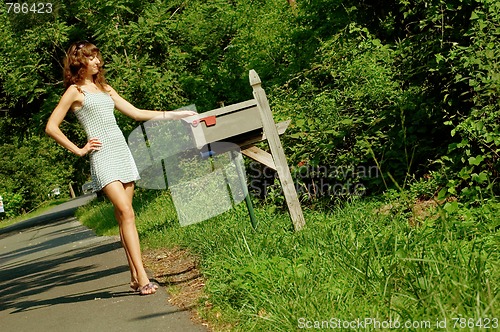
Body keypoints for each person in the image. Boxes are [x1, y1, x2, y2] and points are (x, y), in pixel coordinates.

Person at [46, 40, 197, 295]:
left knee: (124, 217)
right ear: (78, 61)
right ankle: (143, 276)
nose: (97, 61)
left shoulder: (104, 88)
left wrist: (178, 114)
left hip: (121, 152)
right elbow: (51, 126)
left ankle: (134, 277)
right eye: (91, 57)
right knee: (126, 212)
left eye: (97, 56)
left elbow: (137, 113)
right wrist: (79, 149)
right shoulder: (74, 92)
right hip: (102, 156)